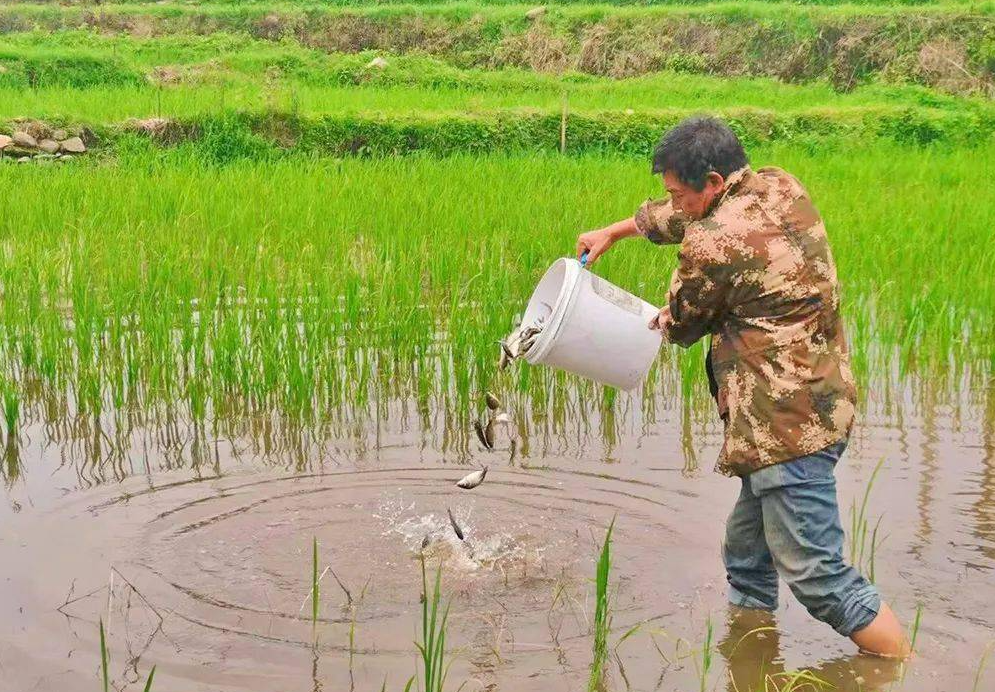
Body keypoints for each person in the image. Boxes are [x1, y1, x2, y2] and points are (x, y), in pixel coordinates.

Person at [576, 116, 910, 658]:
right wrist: (615, 231)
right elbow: (683, 218)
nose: (675, 203)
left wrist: (667, 316)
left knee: (823, 581)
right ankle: (751, 657)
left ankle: (909, 670)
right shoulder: (779, 184)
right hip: (826, 397)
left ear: (712, 182)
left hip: (785, 427)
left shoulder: (712, 241)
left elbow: (683, 324)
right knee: (748, 555)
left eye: (680, 193)